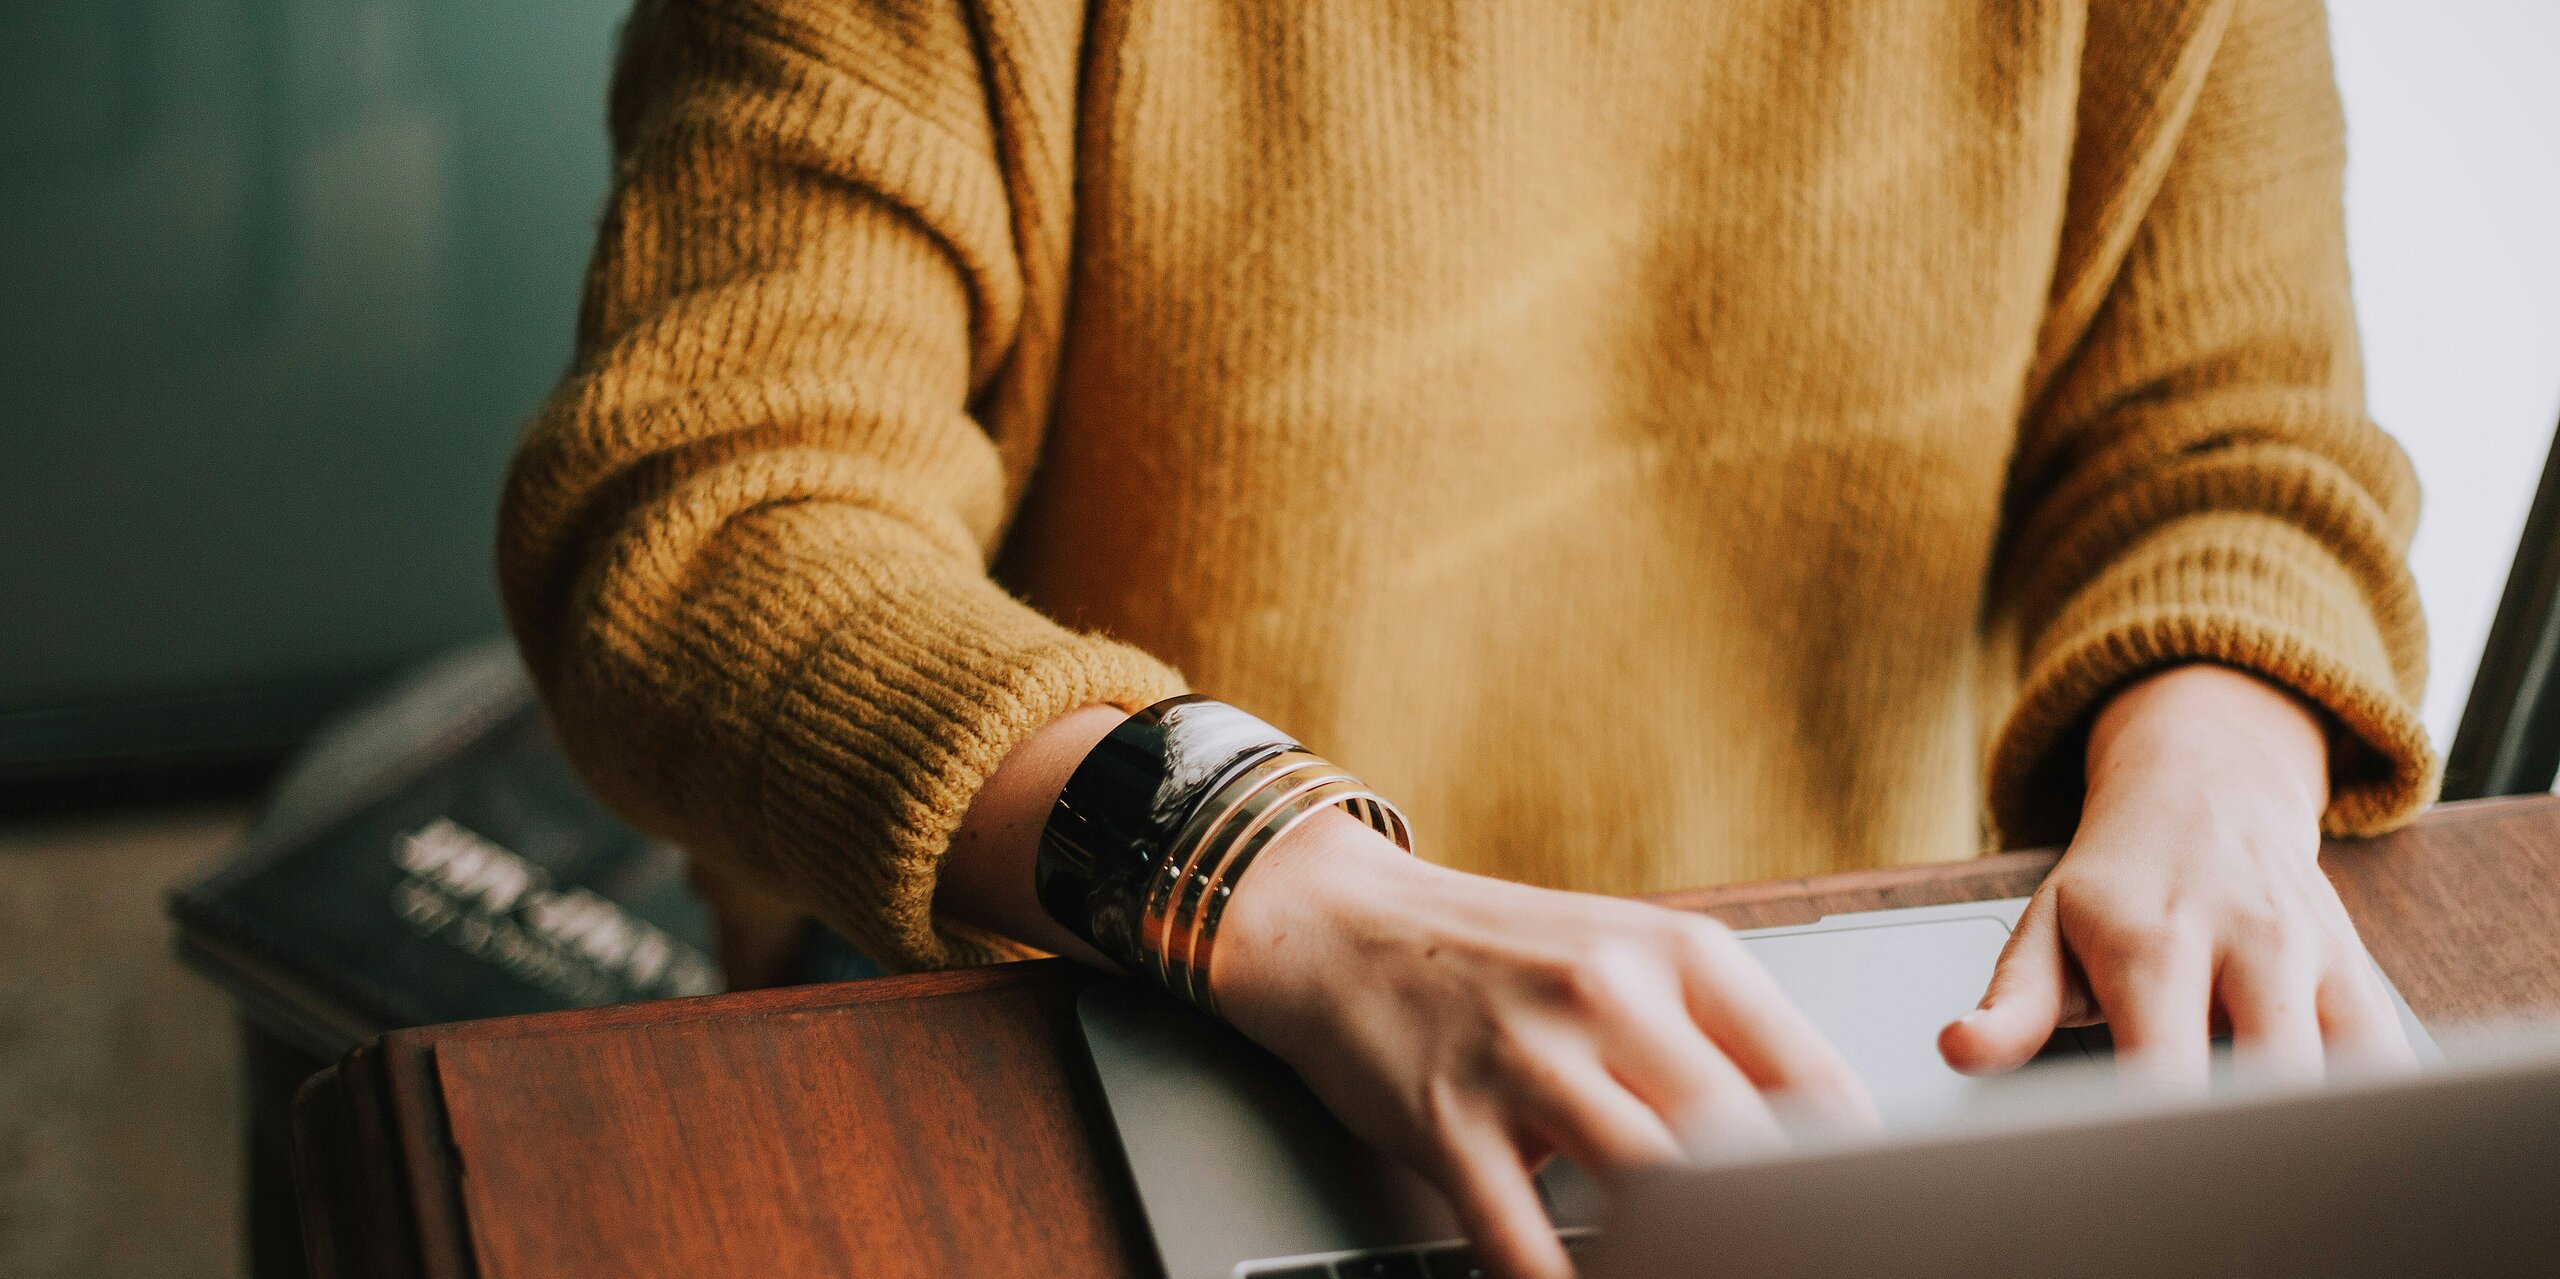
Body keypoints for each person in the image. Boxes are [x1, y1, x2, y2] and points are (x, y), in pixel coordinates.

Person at [498, 1, 2436, 1275]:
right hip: (1102, 988)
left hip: (1831, 1044)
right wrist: (1263, 875)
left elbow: (2235, 445)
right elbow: (703, 517)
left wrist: (2219, 765)